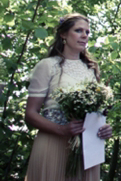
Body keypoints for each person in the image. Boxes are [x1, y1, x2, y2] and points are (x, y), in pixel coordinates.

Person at [25, 13, 113, 181]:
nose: (84, 36)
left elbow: (97, 112)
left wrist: (104, 127)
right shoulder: (48, 66)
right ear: (63, 34)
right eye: (78, 30)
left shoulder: (91, 69)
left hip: (86, 148)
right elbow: (30, 114)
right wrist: (61, 129)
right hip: (53, 142)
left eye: (87, 32)